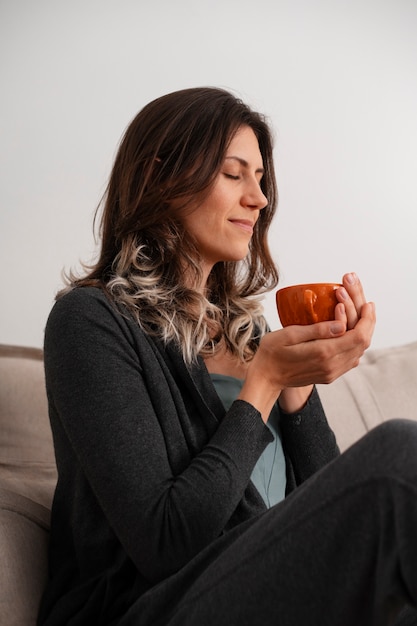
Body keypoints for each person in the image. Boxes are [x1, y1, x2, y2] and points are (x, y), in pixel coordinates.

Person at [38, 87, 417, 626]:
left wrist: (296, 383)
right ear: (158, 180)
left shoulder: (251, 332)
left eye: (260, 179)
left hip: (277, 592)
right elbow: (166, 545)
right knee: (399, 457)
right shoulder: (90, 323)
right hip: (159, 608)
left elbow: (324, 508)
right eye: (234, 174)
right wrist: (262, 383)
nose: (259, 199)